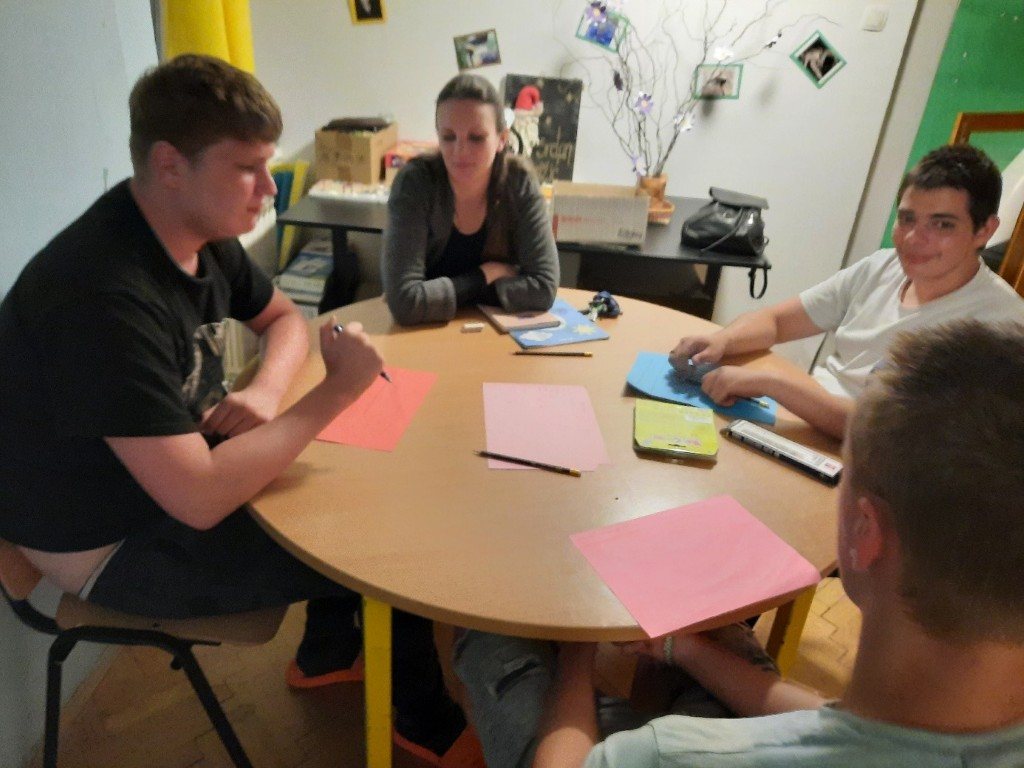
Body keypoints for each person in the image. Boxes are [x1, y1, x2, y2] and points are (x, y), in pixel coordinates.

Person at [0, 54, 478, 766]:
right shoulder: (100, 296)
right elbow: (198, 500)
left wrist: (263, 394)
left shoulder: (193, 232)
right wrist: (335, 392)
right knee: (383, 543)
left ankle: (326, 652)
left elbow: (282, 319)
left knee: (356, 483)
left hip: (170, 479)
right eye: (248, 168)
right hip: (109, 546)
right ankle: (422, 717)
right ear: (170, 165)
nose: (269, 188)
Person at [455, 320, 1024, 768]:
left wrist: (579, 649)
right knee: (720, 635)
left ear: (864, 532)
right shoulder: (945, 709)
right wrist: (686, 650)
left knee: (487, 632)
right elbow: (840, 723)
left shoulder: (666, 755)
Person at [669, 144, 1024, 438]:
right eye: (907, 219)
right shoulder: (881, 267)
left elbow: (887, 431)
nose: (914, 238)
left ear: (984, 231)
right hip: (805, 424)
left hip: (870, 463)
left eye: (942, 224)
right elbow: (777, 321)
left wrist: (773, 383)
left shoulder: (1000, 325)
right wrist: (723, 341)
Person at [382, 73, 559, 325]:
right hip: (424, 332)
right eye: (448, 137)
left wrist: (438, 295)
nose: (460, 151)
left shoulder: (519, 182)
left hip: (491, 334)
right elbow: (404, 303)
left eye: (476, 138)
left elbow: (544, 289)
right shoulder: (415, 183)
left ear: (502, 140)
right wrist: (484, 276)